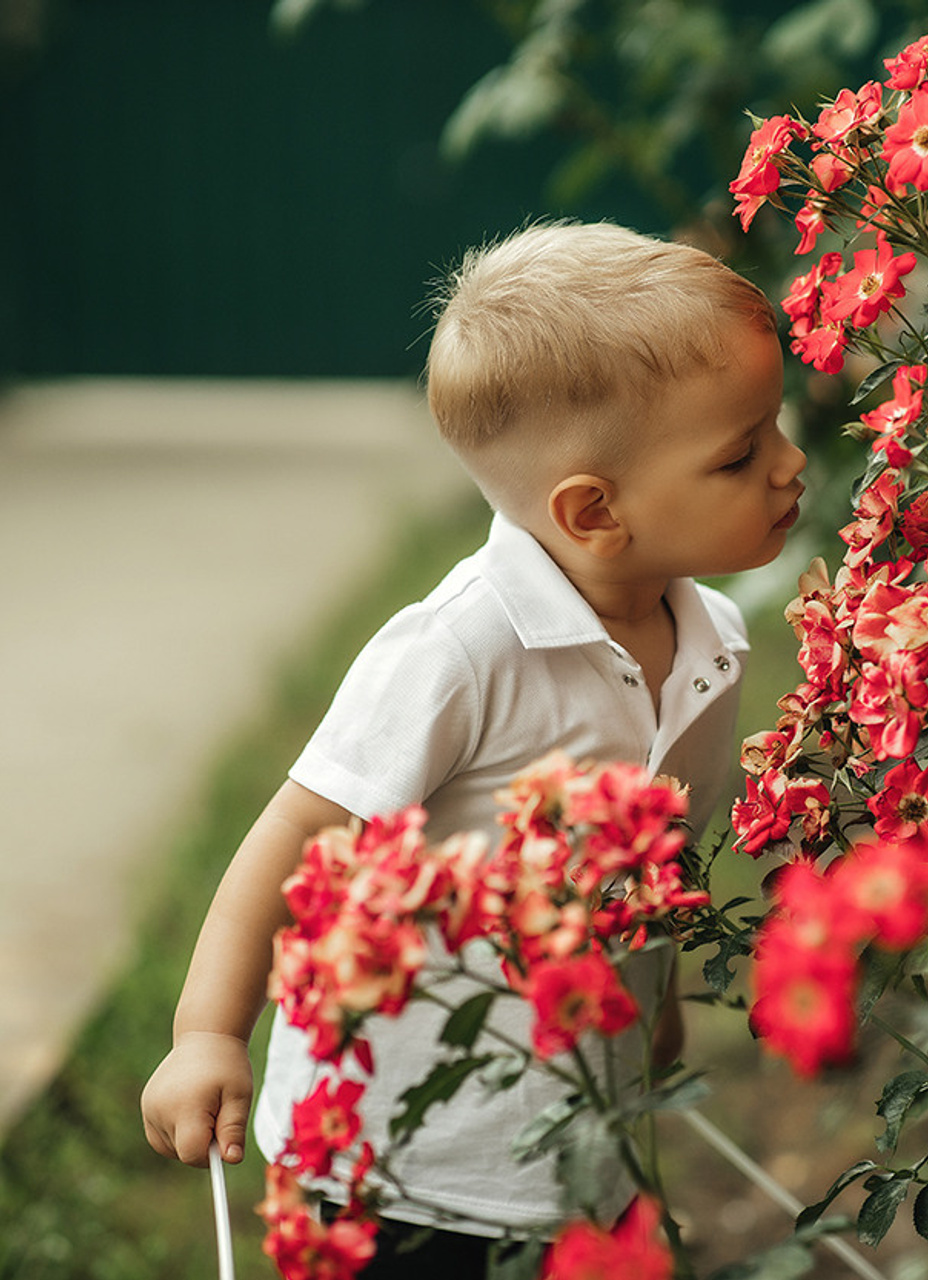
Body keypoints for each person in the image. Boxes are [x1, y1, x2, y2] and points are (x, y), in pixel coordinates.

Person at [140, 221, 806, 1275]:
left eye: (773, 426)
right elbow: (303, 827)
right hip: (393, 1156)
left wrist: (653, 1004)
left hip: (573, 1138)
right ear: (594, 512)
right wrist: (207, 1032)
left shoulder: (709, 645)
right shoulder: (460, 652)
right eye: (741, 451)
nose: (789, 463)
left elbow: (648, 873)